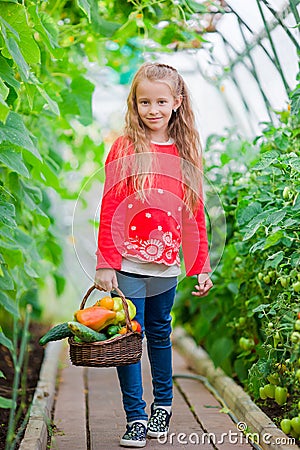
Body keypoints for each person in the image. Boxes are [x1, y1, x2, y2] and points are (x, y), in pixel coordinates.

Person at [94, 62, 213, 448]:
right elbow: (110, 205)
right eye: (145, 102)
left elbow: (194, 214)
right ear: (135, 104)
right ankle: (135, 416)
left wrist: (201, 265)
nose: (153, 109)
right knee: (130, 335)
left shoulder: (185, 152)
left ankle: (162, 405)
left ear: (177, 103)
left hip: (165, 267)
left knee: (160, 334)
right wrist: (106, 261)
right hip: (128, 264)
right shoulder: (126, 147)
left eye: (161, 101)